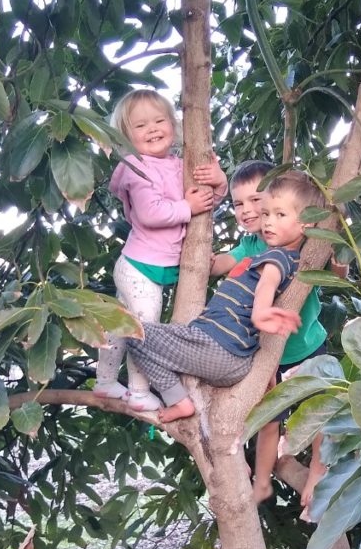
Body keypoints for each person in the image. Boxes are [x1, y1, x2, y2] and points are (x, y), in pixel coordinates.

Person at [125, 171, 328, 426]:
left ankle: (177, 400)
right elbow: (224, 263)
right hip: (231, 355)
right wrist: (202, 258)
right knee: (147, 338)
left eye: (278, 214)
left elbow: (268, 283)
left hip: (218, 346)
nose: (265, 220)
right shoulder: (257, 249)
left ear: (305, 222)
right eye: (266, 213)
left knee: (132, 333)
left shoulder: (277, 256)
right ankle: (180, 399)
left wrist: (260, 312)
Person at [212, 161, 345, 509]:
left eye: (257, 201)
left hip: (306, 346)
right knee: (267, 418)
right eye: (239, 204)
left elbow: (338, 268)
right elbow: (220, 263)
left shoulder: (306, 241)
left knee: (320, 411)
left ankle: (317, 471)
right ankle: (259, 479)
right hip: (268, 353)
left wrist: (338, 246)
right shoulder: (252, 245)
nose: (250, 212)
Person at [95, 90, 227, 411]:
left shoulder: (178, 165)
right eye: (140, 126)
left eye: (159, 120)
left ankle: (105, 382)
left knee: (122, 326)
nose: (152, 129)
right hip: (140, 267)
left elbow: (206, 202)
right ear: (126, 137)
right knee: (144, 330)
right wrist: (187, 206)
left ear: (173, 124)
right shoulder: (135, 166)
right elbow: (150, 213)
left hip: (155, 267)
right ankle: (137, 391)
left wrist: (219, 182)